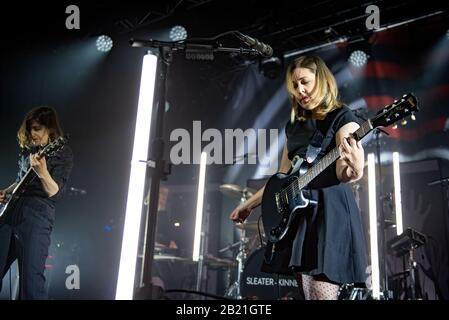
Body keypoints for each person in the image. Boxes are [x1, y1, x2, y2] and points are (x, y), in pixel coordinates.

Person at [230, 55, 368, 300]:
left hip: (330, 213)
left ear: (322, 80)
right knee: (307, 294)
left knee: (321, 295)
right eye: (295, 86)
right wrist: (248, 205)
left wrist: (355, 168)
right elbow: (281, 179)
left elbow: (342, 173)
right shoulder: (294, 127)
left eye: (304, 81)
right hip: (300, 215)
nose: (300, 90)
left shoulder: (343, 118)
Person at [0, 106, 73, 299]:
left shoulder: (62, 153)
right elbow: (21, 180)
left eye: (37, 128)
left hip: (37, 216)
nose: (33, 134)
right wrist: (5, 192)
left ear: (50, 129)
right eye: (30, 129)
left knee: (31, 284)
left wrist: (42, 172)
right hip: (10, 214)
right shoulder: (29, 152)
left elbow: (54, 192)